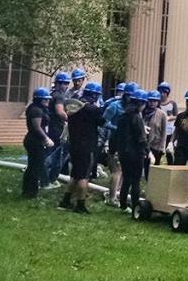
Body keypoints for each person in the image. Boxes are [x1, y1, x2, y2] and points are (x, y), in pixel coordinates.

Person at [58, 81, 105, 213]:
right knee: (84, 176)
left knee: (75, 174)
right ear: (95, 96)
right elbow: (103, 122)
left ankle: (65, 201)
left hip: (74, 144)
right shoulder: (93, 109)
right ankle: (80, 204)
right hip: (87, 146)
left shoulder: (73, 106)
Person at [113, 88, 148, 211]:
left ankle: (123, 205)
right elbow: (141, 138)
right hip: (136, 153)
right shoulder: (136, 118)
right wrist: (147, 152)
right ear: (141, 104)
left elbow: (118, 135)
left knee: (126, 179)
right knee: (136, 180)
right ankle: (135, 206)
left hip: (123, 152)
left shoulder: (123, 116)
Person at [102, 82, 132, 206]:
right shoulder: (114, 106)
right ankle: (112, 198)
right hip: (115, 141)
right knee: (116, 171)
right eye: (129, 96)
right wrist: (117, 128)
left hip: (127, 143)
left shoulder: (132, 108)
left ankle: (116, 193)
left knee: (124, 171)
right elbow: (103, 122)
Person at [22, 87, 53, 198]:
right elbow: (37, 127)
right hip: (34, 141)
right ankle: (30, 192)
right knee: (35, 167)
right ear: (39, 100)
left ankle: (28, 191)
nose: (48, 101)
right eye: (45, 99)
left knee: (33, 166)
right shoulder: (36, 110)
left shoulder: (38, 108)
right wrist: (46, 139)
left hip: (35, 140)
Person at [43, 71, 71, 189]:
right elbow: (60, 111)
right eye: (64, 83)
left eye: (67, 83)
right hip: (57, 129)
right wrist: (72, 119)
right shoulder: (59, 96)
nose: (66, 86)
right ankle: (49, 180)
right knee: (58, 156)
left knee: (50, 153)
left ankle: (44, 178)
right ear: (58, 84)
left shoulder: (52, 94)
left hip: (51, 127)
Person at [143, 89, 167, 178]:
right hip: (145, 144)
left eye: (154, 101)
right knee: (145, 167)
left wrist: (162, 147)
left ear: (158, 102)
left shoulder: (162, 114)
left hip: (156, 146)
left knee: (153, 169)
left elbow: (164, 132)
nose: (152, 103)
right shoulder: (143, 112)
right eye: (150, 101)